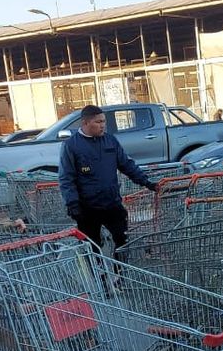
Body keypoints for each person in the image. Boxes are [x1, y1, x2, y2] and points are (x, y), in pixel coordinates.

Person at [58, 105, 158, 256]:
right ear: (85, 123)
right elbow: (66, 178)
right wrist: (72, 204)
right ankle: (100, 276)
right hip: (88, 208)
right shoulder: (71, 145)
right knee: (92, 248)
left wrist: (147, 182)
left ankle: (120, 275)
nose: (103, 125)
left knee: (123, 241)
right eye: (98, 122)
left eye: (104, 121)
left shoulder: (110, 141)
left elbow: (127, 165)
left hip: (112, 203)